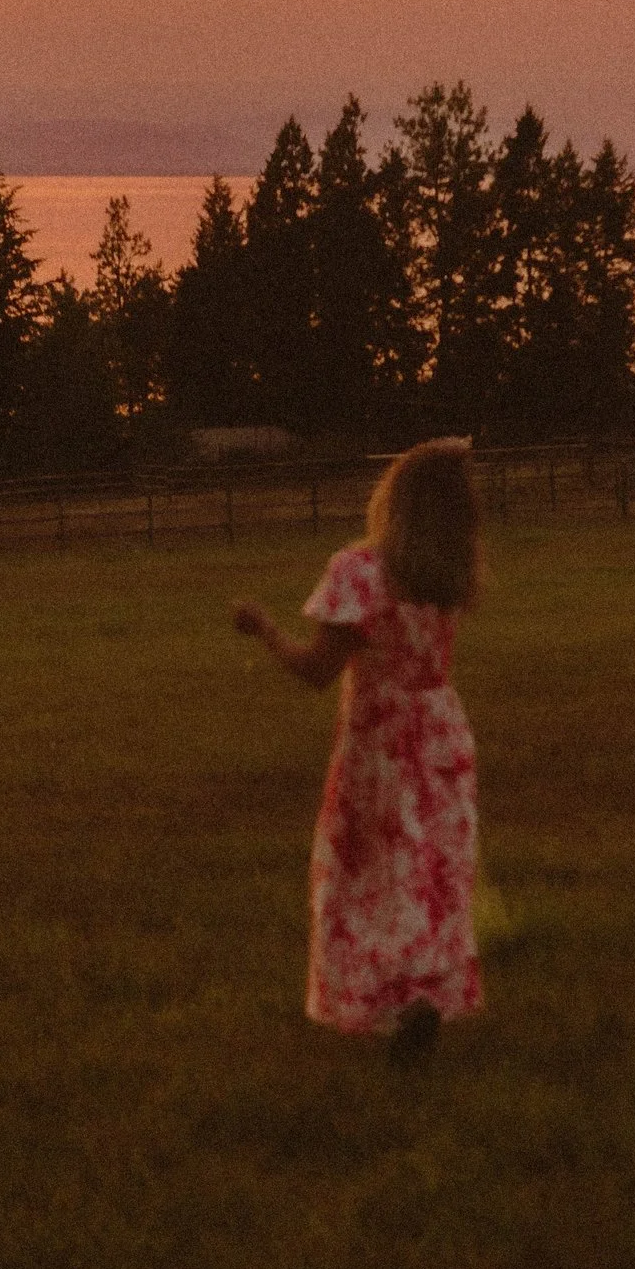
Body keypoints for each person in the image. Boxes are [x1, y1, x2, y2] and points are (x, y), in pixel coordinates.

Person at [231, 438, 482, 1065]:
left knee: (367, 872)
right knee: (431, 875)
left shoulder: (361, 572)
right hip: (443, 736)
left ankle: (391, 1005)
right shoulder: (449, 574)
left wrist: (264, 630)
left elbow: (319, 670)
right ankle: (423, 992)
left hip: (381, 744)